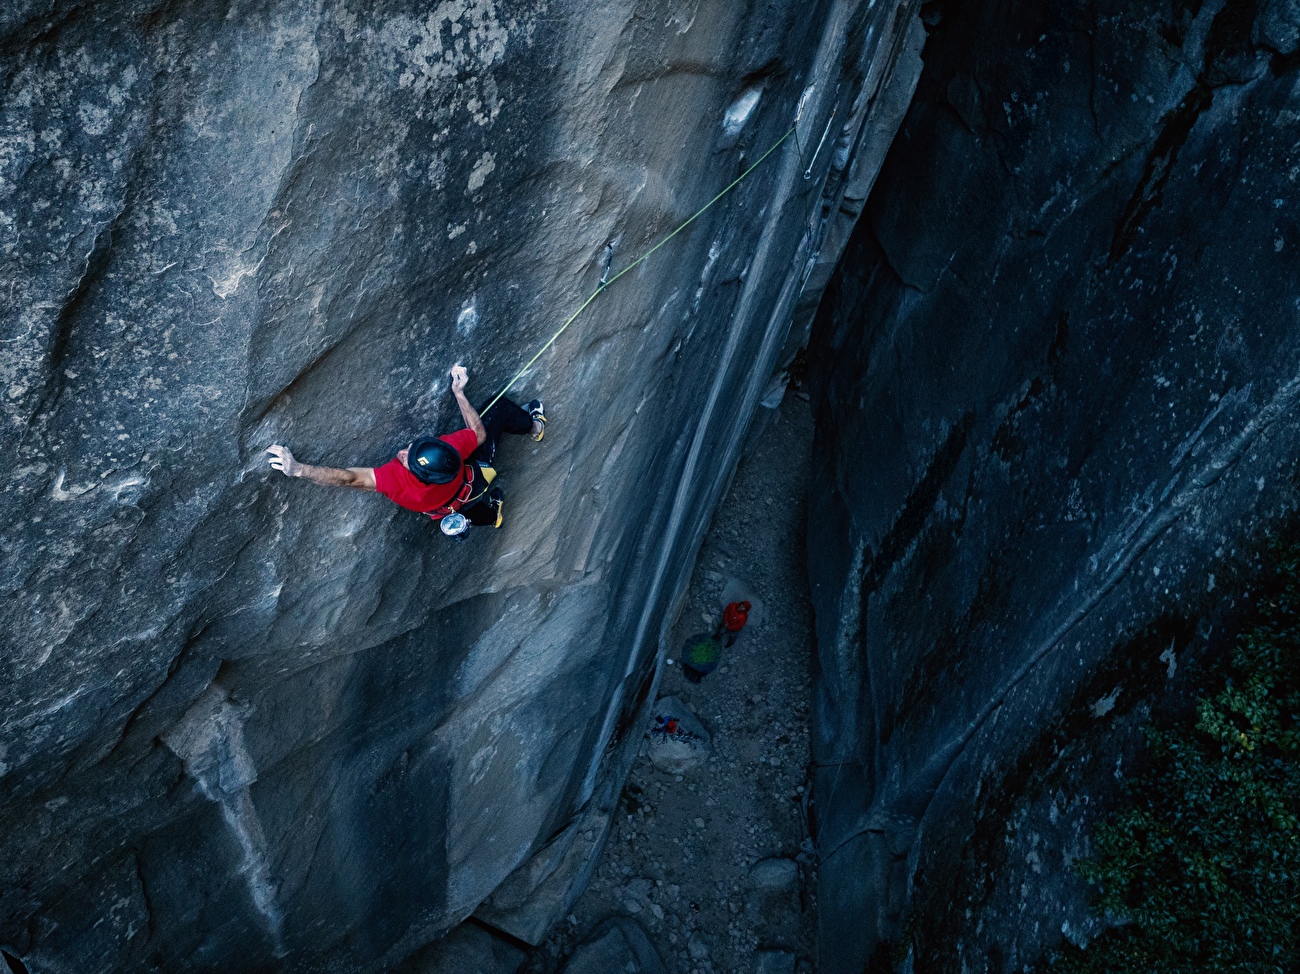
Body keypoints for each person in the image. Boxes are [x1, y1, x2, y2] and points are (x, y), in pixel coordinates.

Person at [266, 364, 545, 530]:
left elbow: (348, 478)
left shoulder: (397, 482)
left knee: (457, 510)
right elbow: (479, 434)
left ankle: (492, 514)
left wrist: (299, 469)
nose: (402, 453)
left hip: (442, 507)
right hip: (466, 483)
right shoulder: (451, 450)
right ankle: (533, 427)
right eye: (409, 452)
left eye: (407, 458)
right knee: (498, 408)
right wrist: (459, 394)